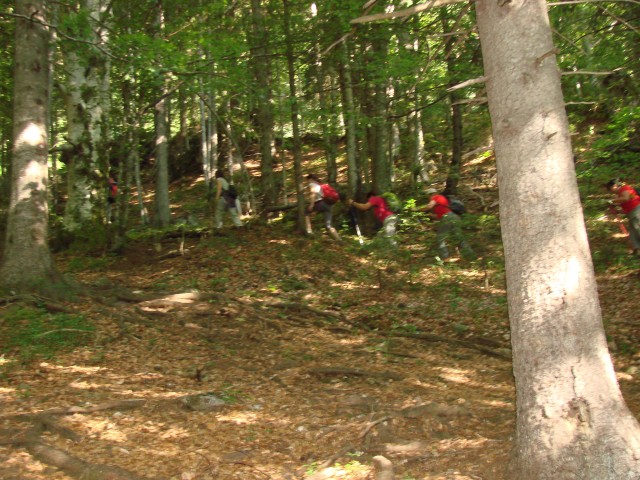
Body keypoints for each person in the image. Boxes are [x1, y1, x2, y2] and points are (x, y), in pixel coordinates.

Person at [422, 188, 474, 260]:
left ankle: (445, 257)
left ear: (431, 194)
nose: (428, 198)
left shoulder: (436, 197)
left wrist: (416, 209)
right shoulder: (442, 199)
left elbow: (429, 206)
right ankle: (470, 255)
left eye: (428, 196)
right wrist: (429, 215)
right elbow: (439, 215)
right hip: (454, 217)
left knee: (440, 239)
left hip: (447, 218)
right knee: (460, 238)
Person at [606, 179, 640, 255]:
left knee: (638, 229)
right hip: (631, 214)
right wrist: (617, 211)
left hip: (637, 211)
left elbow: (626, 198)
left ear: (614, 186)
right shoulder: (619, 196)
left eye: (610, 188)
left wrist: (612, 201)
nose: (610, 191)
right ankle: (637, 250)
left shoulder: (624, 188)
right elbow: (626, 209)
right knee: (633, 232)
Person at [305, 174, 341, 241]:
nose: (307, 182)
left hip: (321, 203)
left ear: (310, 179)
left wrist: (311, 205)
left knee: (306, 212)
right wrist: (315, 211)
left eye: (307, 180)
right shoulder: (320, 185)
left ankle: (309, 232)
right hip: (329, 205)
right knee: (329, 226)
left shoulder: (312, 184)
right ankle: (339, 239)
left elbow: (313, 194)